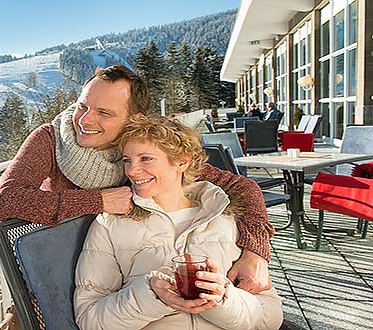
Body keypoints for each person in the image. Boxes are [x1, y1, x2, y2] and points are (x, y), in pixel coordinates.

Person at [74, 115, 282, 329]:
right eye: (127, 160)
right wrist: (152, 295)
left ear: (182, 161)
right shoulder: (110, 223)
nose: (132, 171)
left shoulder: (228, 217)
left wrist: (223, 300)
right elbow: (90, 319)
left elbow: (270, 317)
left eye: (145, 158)